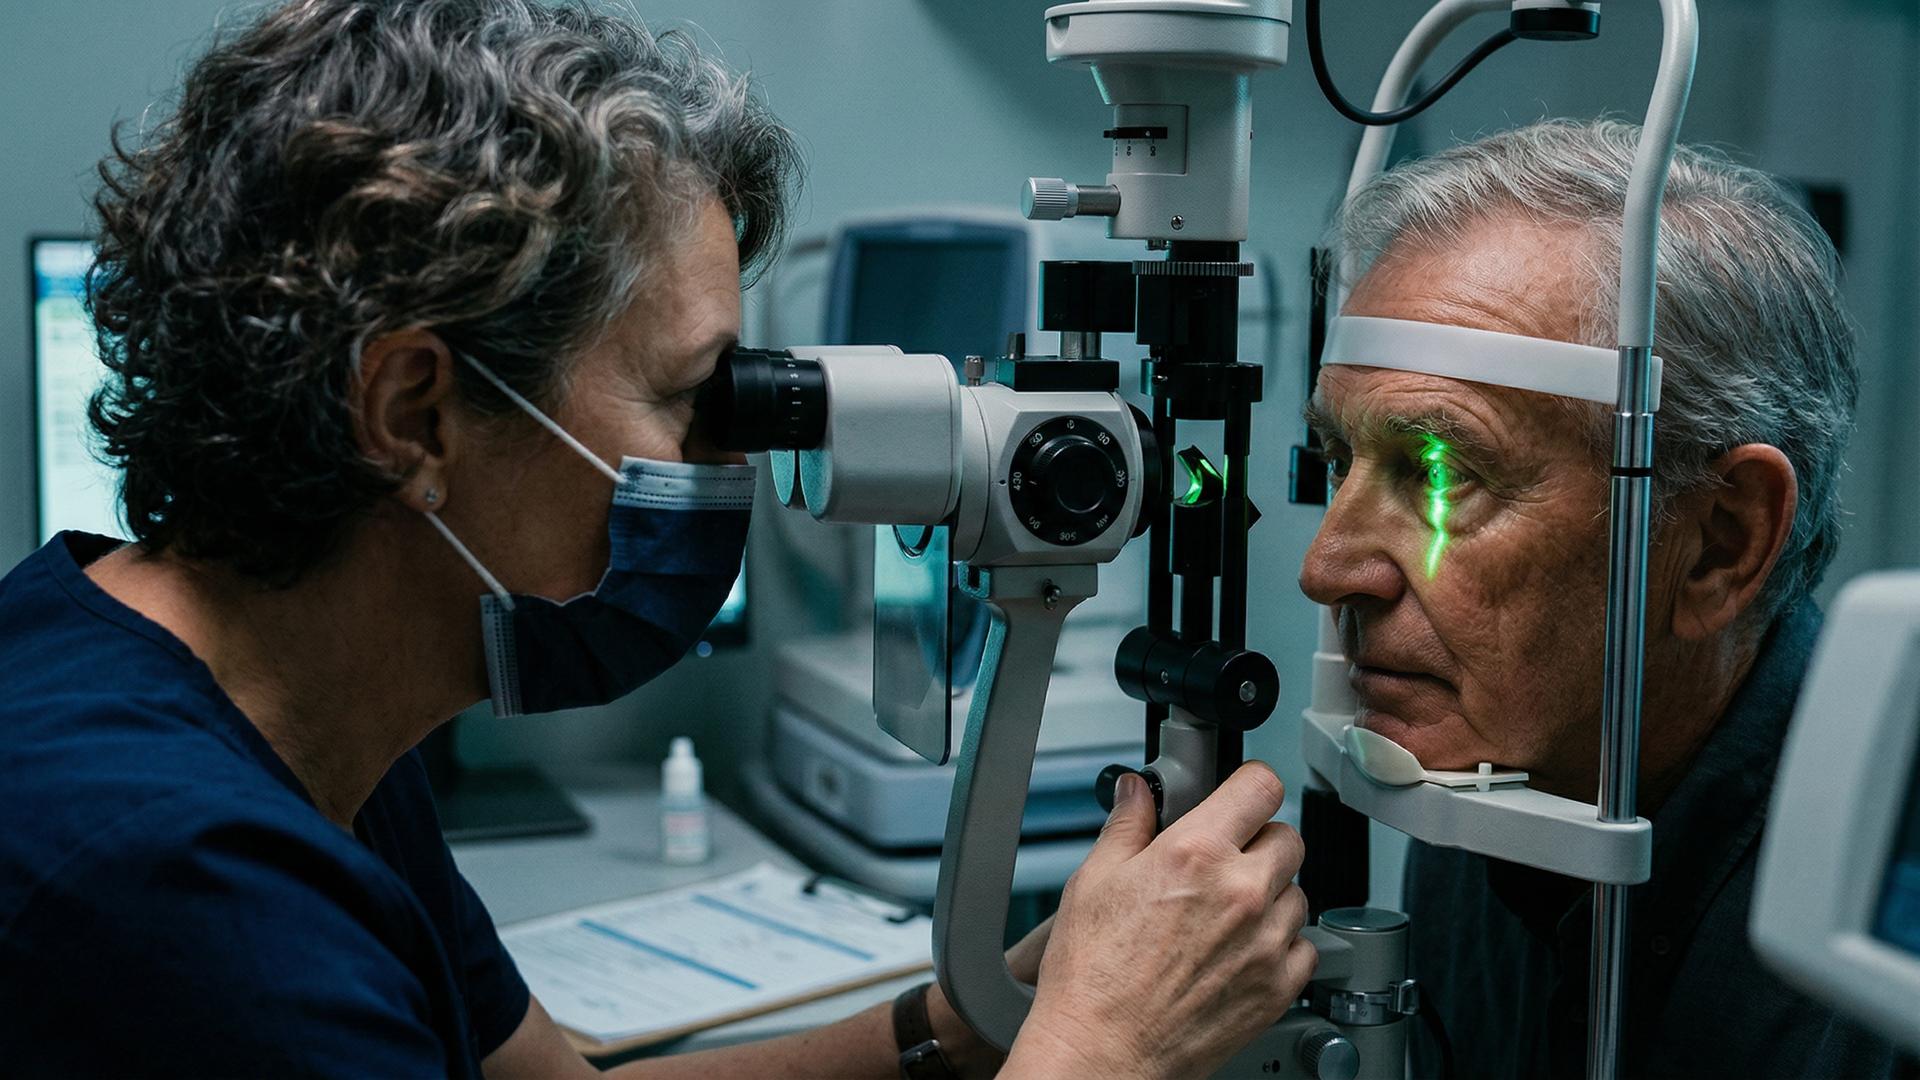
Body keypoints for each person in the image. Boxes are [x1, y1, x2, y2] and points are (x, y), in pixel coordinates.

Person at [0, 1, 1318, 1076]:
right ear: (415, 412)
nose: (734, 461)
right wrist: (1103, 1051)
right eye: (696, 400)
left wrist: (972, 1017)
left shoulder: (281, 715)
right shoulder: (178, 893)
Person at [1299, 118, 1899, 1078]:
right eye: (1338, 459)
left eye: (1444, 475)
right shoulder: (1496, 783)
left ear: (1719, 544)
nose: (1326, 568)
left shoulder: (1882, 941)